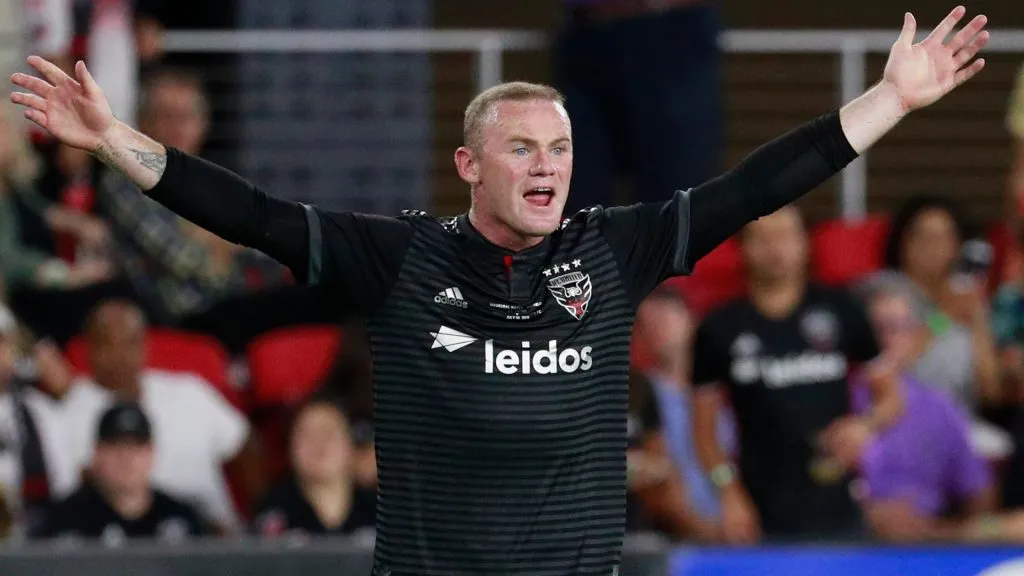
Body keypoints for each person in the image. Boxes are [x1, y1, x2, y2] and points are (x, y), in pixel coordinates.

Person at [9, 6, 989, 574]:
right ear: (469, 163)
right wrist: (114, 143)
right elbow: (250, 213)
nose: (547, 165)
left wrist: (891, 100)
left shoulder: (618, 248)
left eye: (560, 148)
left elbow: (762, 184)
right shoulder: (397, 257)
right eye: (521, 146)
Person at [691, 207, 895, 543]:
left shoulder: (843, 309)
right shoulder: (719, 328)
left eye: (786, 235)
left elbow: (891, 398)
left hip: (839, 505)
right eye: (763, 238)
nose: (776, 248)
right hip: (761, 511)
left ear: (805, 243)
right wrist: (728, 491)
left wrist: (865, 425)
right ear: (743, 248)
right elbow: (704, 434)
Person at [35, 401, 208, 544]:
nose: (125, 458)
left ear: (151, 454)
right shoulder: (65, 519)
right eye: (114, 446)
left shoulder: (181, 516)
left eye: (135, 447)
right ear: (96, 454)